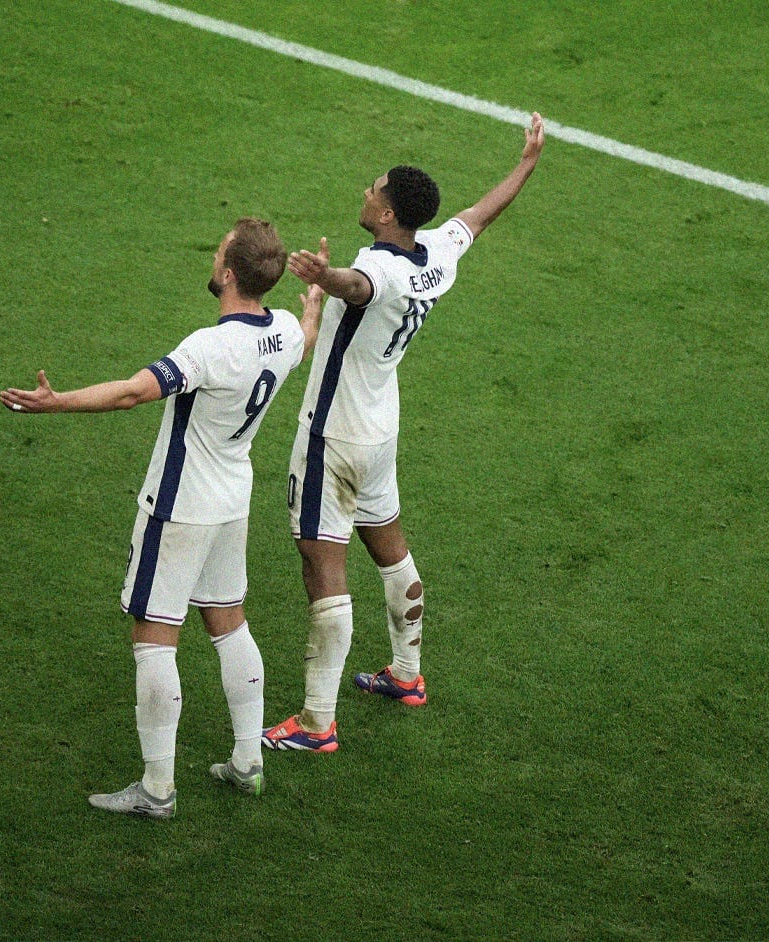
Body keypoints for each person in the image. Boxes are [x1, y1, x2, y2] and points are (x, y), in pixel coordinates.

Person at [0, 218, 322, 817]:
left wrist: (55, 402)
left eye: (221, 245)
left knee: (154, 636)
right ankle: (249, 761)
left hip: (180, 504)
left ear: (227, 274)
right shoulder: (281, 331)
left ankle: (156, 788)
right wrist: (312, 307)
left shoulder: (208, 347)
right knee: (229, 622)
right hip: (232, 499)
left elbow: (131, 392)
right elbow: (304, 340)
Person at [261, 113, 547, 752]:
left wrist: (319, 277)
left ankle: (316, 723)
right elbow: (480, 215)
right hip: (380, 428)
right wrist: (525, 164)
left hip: (332, 434)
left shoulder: (381, 272)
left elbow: (356, 286)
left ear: (388, 215)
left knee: (321, 563)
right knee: (387, 543)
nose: (366, 191)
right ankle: (407, 675)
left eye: (374, 189)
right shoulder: (436, 255)